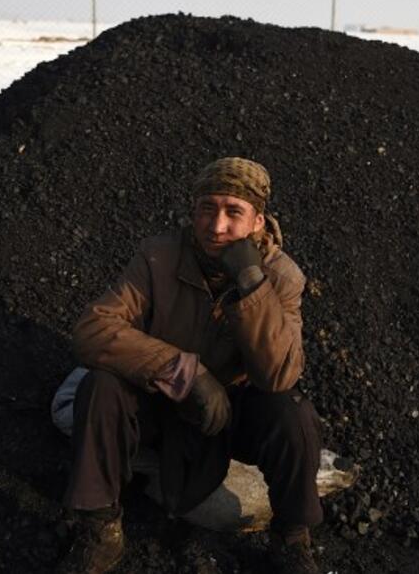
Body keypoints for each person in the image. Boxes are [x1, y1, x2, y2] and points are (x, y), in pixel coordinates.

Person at [57, 157, 323, 574]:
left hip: (233, 414)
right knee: (101, 387)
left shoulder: (282, 276)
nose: (216, 226)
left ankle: (291, 540)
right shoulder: (158, 257)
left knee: (294, 414)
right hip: (161, 400)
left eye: (233, 212)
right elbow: (93, 328)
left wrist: (251, 282)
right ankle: (99, 528)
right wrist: (185, 372)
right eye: (206, 209)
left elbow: (279, 374)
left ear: (258, 221)